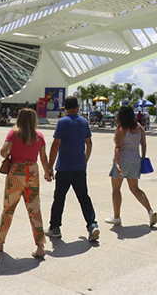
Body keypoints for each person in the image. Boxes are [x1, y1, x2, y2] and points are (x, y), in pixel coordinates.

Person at [0, 108, 51, 258]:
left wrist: (11, 152)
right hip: (32, 173)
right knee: (34, 209)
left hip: (16, 174)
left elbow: (3, 152)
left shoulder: (13, 134)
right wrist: (47, 172)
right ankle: (40, 246)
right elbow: (43, 157)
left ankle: (0, 242)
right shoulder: (39, 136)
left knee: (8, 208)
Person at [47, 96, 99, 242]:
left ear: (65, 108)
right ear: (77, 107)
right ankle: (92, 225)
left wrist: (49, 166)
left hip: (64, 167)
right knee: (84, 197)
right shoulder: (84, 122)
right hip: (79, 167)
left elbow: (56, 144)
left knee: (59, 198)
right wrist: (85, 160)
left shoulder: (62, 122)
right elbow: (89, 143)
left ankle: (55, 228)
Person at [105, 106, 156, 227]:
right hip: (135, 161)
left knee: (116, 189)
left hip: (123, 161)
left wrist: (117, 163)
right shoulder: (139, 127)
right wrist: (143, 157)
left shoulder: (121, 129)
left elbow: (118, 147)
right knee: (135, 189)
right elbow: (143, 144)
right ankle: (150, 210)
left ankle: (116, 217)